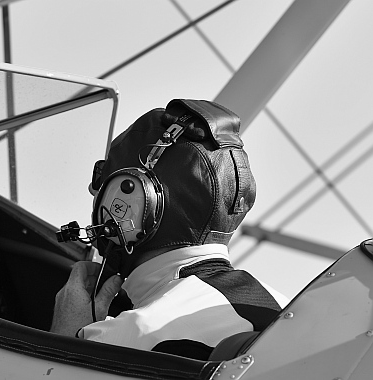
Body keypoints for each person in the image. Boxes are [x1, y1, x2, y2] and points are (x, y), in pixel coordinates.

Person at [50, 99, 289, 360]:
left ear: (130, 196)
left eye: (103, 179)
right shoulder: (288, 307)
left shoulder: (131, 336)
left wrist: (66, 336)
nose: (93, 192)